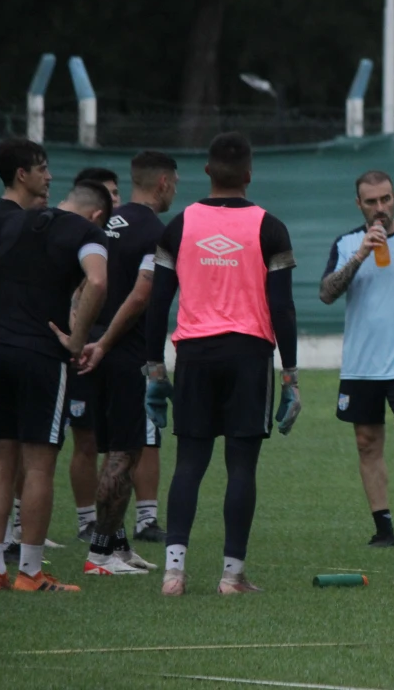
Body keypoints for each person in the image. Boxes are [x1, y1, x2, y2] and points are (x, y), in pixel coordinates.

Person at [144, 132, 300, 597]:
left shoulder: (179, 225)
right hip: (248, 356)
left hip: (194, 354)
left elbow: (157, 303)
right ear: (249, 175)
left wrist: (154, 366)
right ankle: (232, 576)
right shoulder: (270, 227)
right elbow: (284, 307)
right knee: (241, 467)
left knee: (189, 462)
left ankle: (174, 572)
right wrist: (290, 374)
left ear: (207, 171)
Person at [0, 180, 112, 592]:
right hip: (42, 355)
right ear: (97, 215)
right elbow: (99, 281)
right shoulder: (88, 234)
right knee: (38, 464)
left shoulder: (12, 223)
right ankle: (31, 572)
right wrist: (77, 337)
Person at [320, 170, 394, 550]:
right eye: (371, 202)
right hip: (362, 365)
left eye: (385, 199)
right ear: (359, 204)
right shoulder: (348, 243)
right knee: (366, 442)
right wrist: (360, 255)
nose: (380, 209)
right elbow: (326, 293)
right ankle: (383, 528)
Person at [75, 153, 179, 576]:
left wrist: (81, 336)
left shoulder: (103, 224)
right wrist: (106, 343)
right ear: (162, 184)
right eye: (174, 181)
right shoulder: (157, 230)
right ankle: (99, 555)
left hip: (93, 347)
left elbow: (82, 283)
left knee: (110, 449)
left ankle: (117, 546)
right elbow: (140, 296)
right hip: (121, 352)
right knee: (125, 452)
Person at [0, 138, 52, 551]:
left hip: (4, 345)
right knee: (1, 449)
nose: (49, 175)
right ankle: (15, 550)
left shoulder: (18, 217)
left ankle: (2, 544)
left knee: (7, 450)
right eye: (42, 168)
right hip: (9, 344)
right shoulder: (3, 219)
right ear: (22, 175)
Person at [66, 167, 122, 542]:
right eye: (109, 194)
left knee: (119, 441)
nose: (116, 200)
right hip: (80, 346)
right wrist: (76, 337)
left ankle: (112, 524)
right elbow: (79, 288)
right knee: (84, 438)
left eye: (118, 193)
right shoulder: (72, 237)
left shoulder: (122, 237)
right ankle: (87, 521)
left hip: (114, 345)